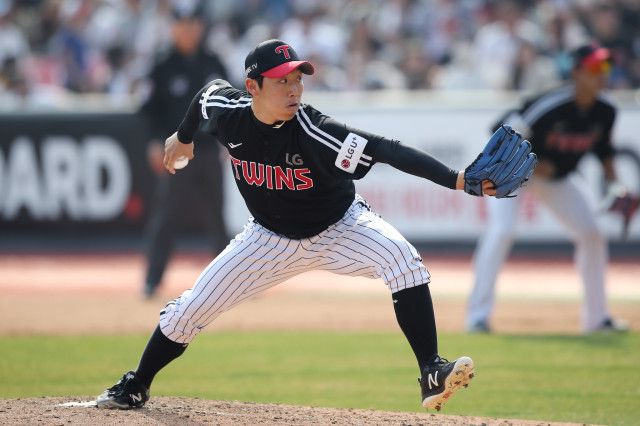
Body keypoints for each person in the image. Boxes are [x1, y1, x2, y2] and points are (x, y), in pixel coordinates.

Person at [95, 38, 525, 412]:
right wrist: (183, 136)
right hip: (267, 238)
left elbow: (388, 149)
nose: (294, 88)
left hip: (340, 227)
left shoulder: (317, 131)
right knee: (188, 311)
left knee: (402, 259)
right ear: (253, 87)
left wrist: (457, 180)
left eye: (298, 79)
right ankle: (137, 384)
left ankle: (431, 369)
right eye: (282, 80)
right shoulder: (228, 112)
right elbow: (205, 95)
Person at [466, 43, 629, 334]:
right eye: (595, 67)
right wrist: (535, 165)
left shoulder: (605, 111)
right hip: (511, 172)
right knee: (502, 230)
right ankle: (477, 317)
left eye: (606, 67)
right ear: (576, 72)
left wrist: (617, 186)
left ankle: (597, 319)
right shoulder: (551, 105)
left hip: (557, 179)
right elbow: (500, 132)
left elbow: (604, 152)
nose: (603, 74)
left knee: (592, 233)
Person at [140, 3, 229, 298]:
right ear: (174, 28)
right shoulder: (162, 65)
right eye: (183, 24)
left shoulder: (213, 62)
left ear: (201, 27)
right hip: (175, 151)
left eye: (194, 24)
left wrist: (232, 142)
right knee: (167, 216)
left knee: (217, 217)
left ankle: (230, 280)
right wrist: (154, 142)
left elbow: (232, 105)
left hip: (207, 150)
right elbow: (150, 110)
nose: (189, 30)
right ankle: (152, 280)